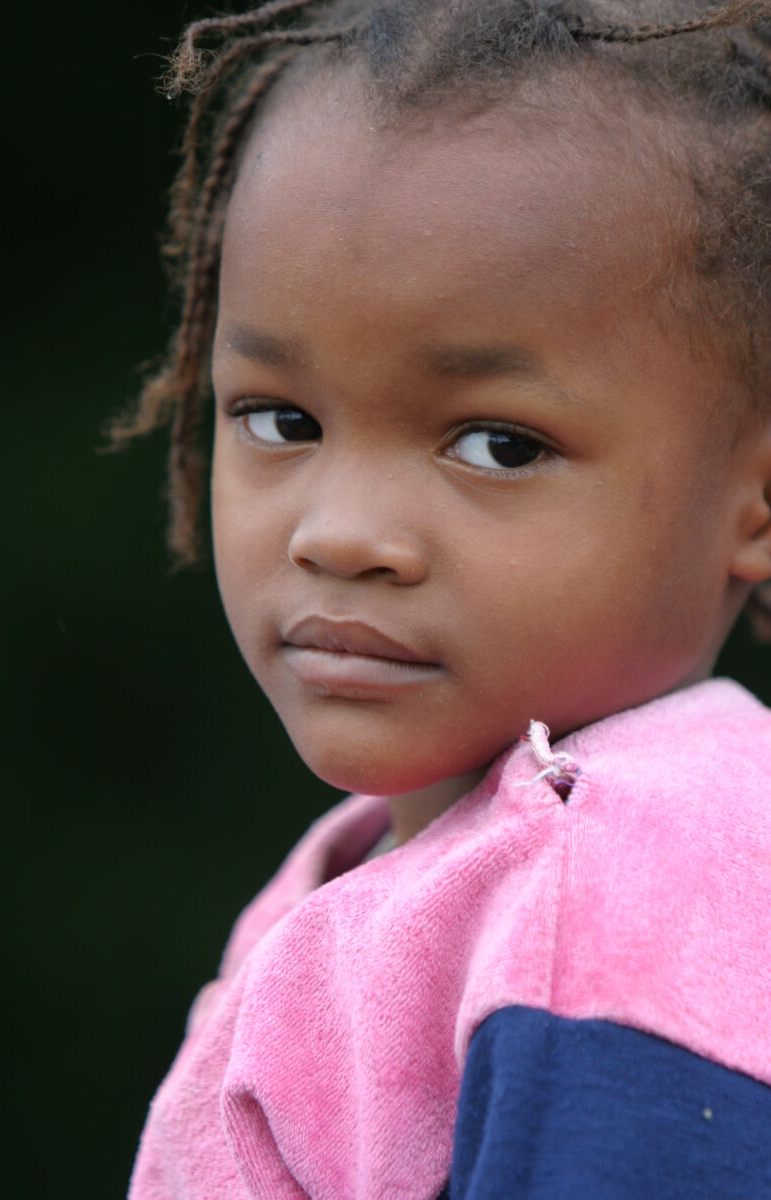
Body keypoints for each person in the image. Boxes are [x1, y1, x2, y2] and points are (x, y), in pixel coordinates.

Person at [115, 0, 771, 1195]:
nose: (343, 535)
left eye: (497, 446)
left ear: (757, 497)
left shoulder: (623, 890)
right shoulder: (390, 870)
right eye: (281, 421)